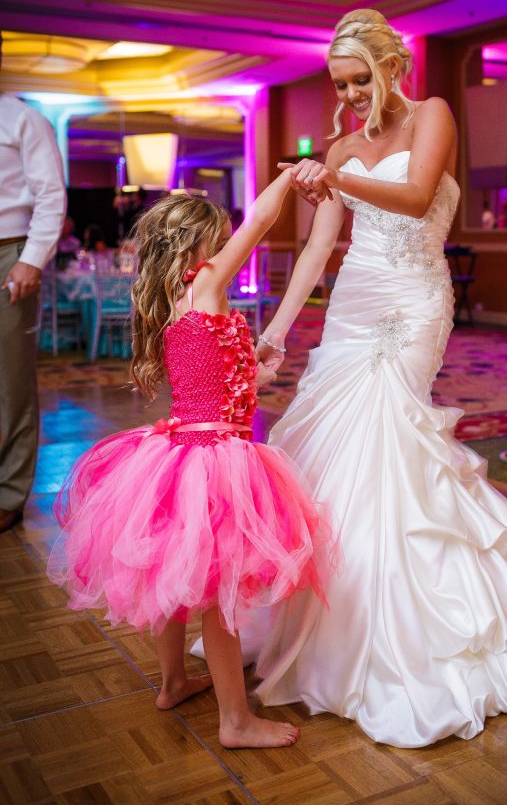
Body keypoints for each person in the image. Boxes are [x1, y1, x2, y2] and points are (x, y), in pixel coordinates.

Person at [249, 8, 507, 746]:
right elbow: (318, 249)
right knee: (331, 456)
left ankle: (421, 631)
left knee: (390, 441)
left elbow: (420, 195)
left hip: (413, 306)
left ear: (392, 67)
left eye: (362, 79)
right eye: (341, 84)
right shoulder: (339, 146)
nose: (354, 95)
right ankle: (337, 626)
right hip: (353, 306)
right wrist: (276, 329)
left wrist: (333, 175)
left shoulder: (434, 114)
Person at [47, 177, 336, 749]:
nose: (231, 247)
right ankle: (236, 721)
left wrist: (255, 369)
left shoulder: (184, 301)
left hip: (183, 449)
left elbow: (214, 375)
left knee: (176, 578)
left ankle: (173, 681)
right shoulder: (204, 282)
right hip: (213, 458)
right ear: (199, 247)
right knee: (216, 589)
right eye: (221, 240)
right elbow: (258, 224)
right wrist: (285, 177)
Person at [0, 91, 66, 534]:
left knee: (10, 380)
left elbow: (50, 193)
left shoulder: (21, 117)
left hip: (10, 251)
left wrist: (32, 259)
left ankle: (8, 493)